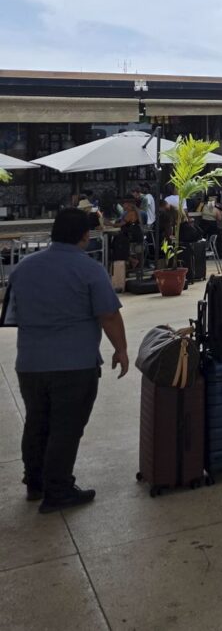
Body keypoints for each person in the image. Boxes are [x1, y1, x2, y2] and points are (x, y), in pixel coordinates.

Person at [6, 208, 129, 513]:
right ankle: (58, 489)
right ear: (86, 236)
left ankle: (35, 482)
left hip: (31, 364)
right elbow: (109, 315)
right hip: (75, 365)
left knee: (36, 422)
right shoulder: (89, 270)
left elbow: (13, 314)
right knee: (66, 427)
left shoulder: (24, 268)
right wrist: (121, 350)